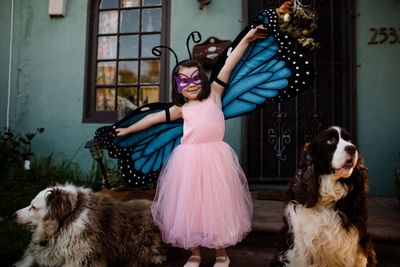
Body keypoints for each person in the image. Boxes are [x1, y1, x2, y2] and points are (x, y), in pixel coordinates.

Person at [115, 26, 267, 267]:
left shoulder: (215, 95)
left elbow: (229, 64)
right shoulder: (181, 109)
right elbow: (152, 119)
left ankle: (221, 255)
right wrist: (128, 129)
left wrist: (247, 39)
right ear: (177, 85)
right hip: (187, 164)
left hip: (216, 161)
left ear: (203, 79)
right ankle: (194, 254)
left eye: (195, 78)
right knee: (191, 210)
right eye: (184, 80)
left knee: (218, 209)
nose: (191, 84)